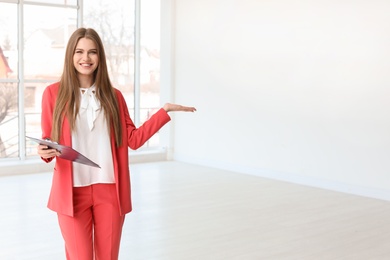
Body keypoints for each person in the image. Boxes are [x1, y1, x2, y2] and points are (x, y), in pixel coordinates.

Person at [37, 27, 196, 260]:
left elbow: (134, 140)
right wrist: (44, 150)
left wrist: (164, 112)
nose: (86, 58)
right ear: (70, 55)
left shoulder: (114, 96)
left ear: (99, 57)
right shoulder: (53, 94)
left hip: (110, 192)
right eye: (79, 51)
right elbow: (49, 142)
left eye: (92, 52)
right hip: (71, 192)